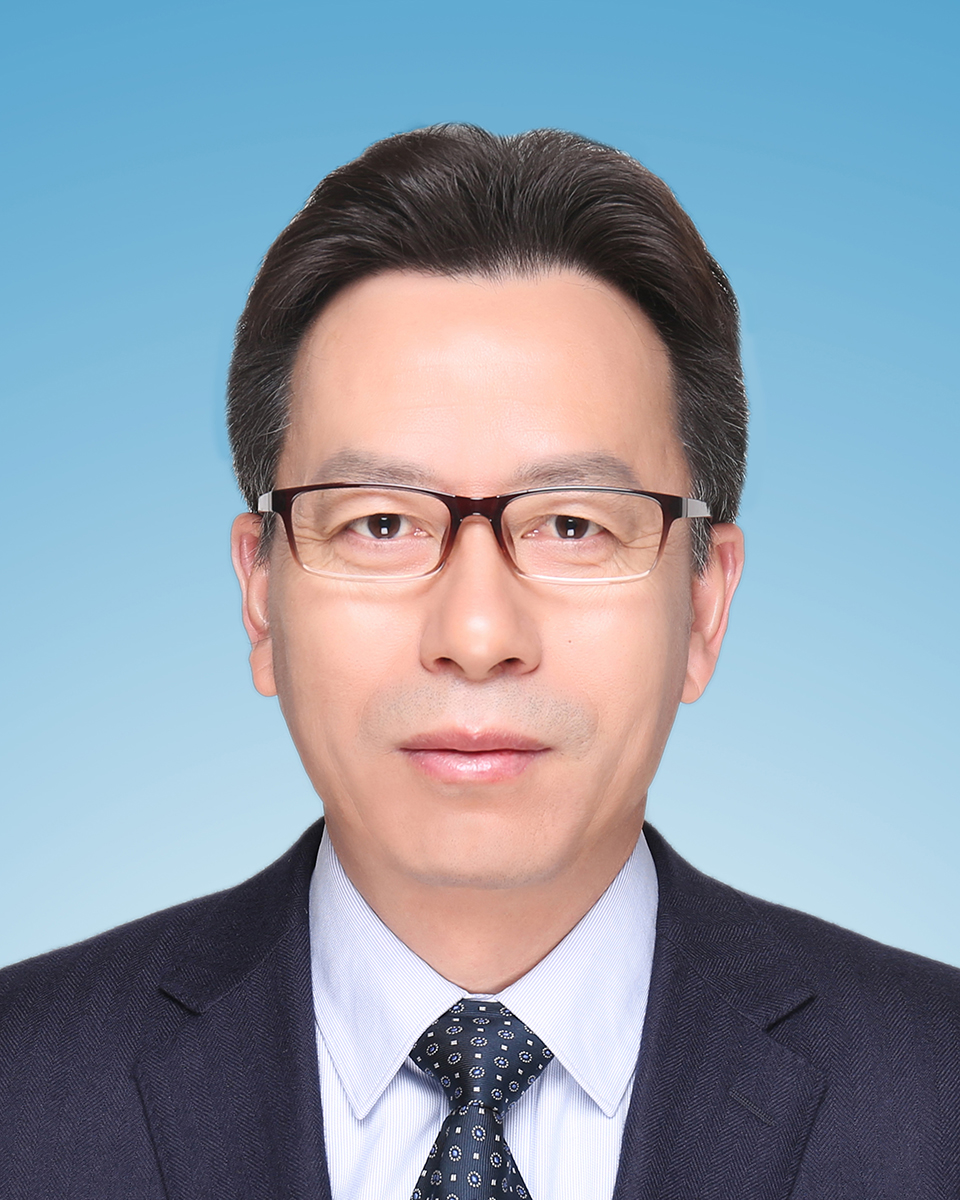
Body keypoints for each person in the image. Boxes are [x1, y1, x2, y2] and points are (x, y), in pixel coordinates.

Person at [1, 124, 958, 1200]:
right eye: (378, 523)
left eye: (572, 526)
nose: (475, 633)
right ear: (260, 593)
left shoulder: (937, 1095)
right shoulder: (22, 1090)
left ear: (704, 603)